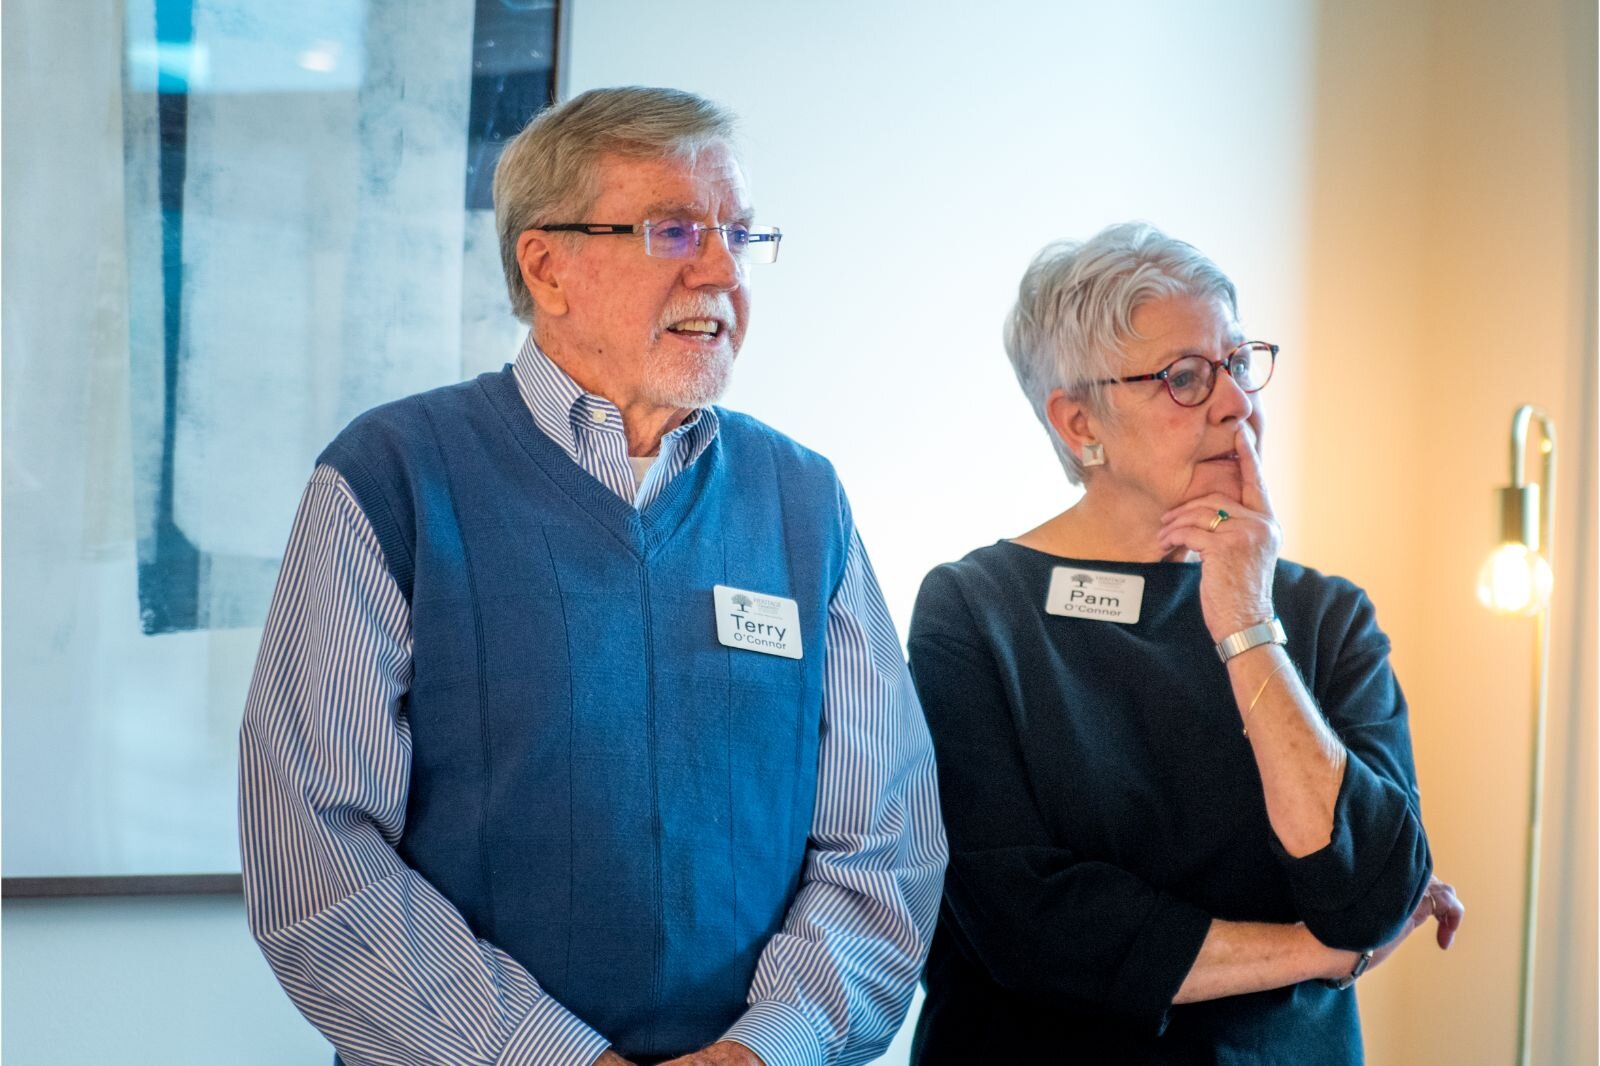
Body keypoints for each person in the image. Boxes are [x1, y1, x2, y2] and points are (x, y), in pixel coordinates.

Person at [239, 86, 946, 1066]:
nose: (718, 271)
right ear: (547, 265)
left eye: (739, 236)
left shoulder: (803, 499)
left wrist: (765, 1049)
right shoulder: (390, 479)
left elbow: (886, 841)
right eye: (672, 232)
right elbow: (316, 853)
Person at [906, 223, 1462, 1063]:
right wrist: (1315, 954)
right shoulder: (973, 610)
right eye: (1186, 378)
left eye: (1240, 364)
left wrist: (1246, 621)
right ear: (1078, 422)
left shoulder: (1324, 617)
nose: (1236, 402)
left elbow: (1371, 892)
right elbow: (1024, 922)